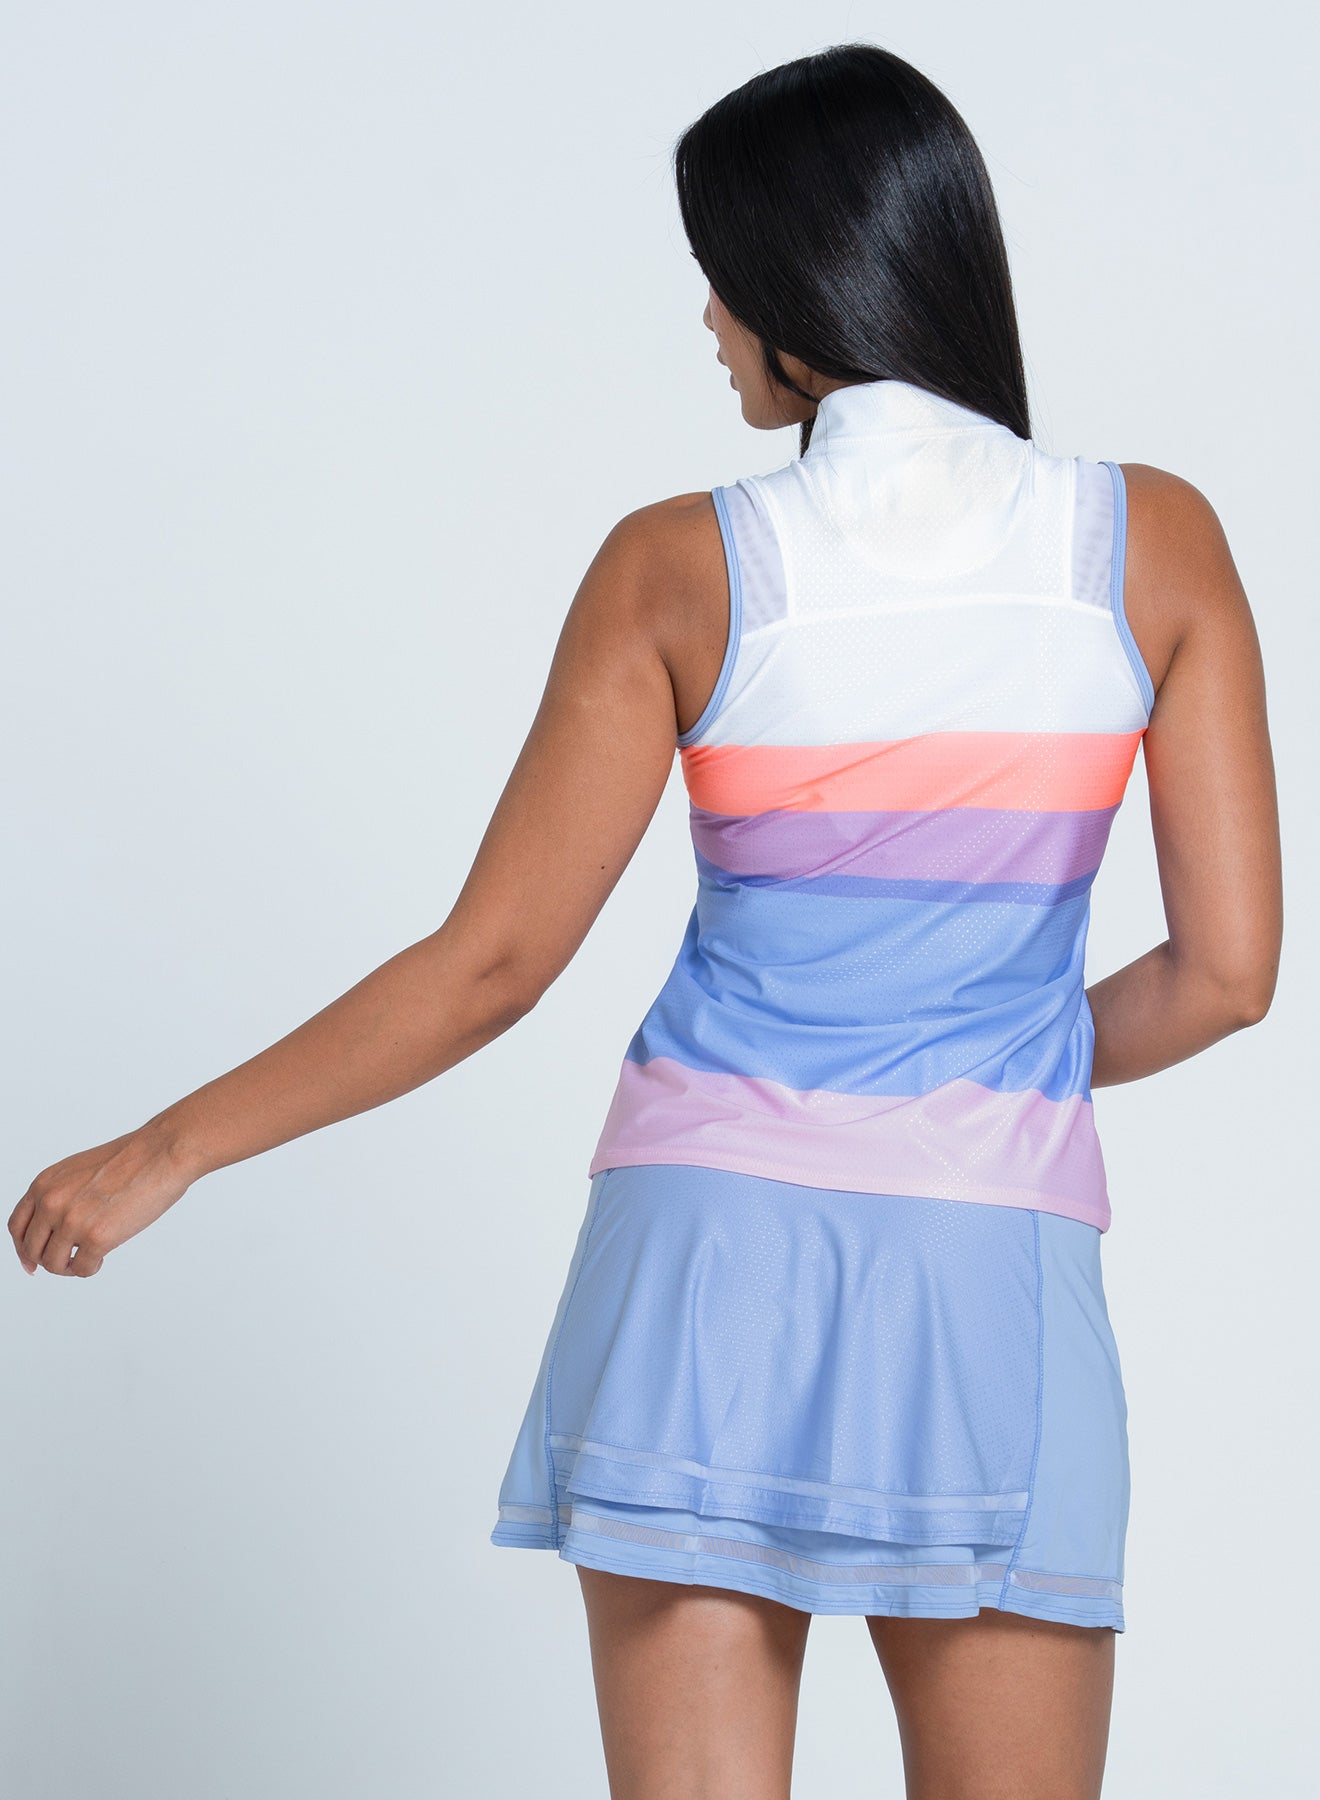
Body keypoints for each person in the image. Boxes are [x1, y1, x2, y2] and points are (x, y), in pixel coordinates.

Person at [9, 40, 1281, 1800]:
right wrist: (990, 1057)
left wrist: (167, 1151)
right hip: (989, 1276)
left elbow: (488, 966)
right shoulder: (1156, 544)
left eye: (722, 271)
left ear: (802, 294)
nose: (707, 316)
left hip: (701, 1267)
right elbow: (1227, 976)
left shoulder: (674, 567)